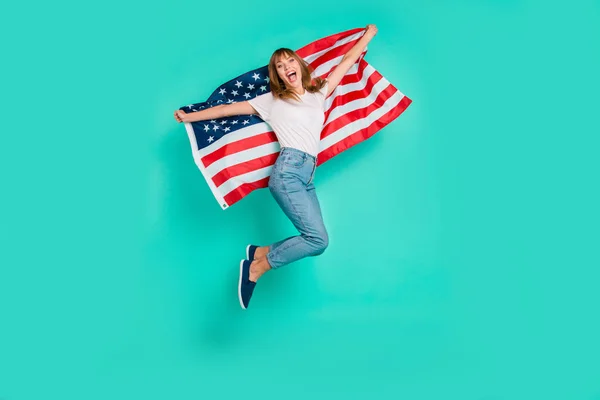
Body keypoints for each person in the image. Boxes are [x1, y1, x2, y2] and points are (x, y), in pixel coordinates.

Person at [174, 25, 378, 309]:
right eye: (280, 66)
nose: (286, 67)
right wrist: (189, 117)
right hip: (288, 172)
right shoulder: (271, 100)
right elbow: (224, 110)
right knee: (318, 240)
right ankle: (258, 266)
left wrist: (368, 35)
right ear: (278, 75)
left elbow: (345, 62)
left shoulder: (318, 93)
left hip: (307, 175)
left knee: (316, 239)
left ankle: (258, 252)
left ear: (299, 65)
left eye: (290, 61)